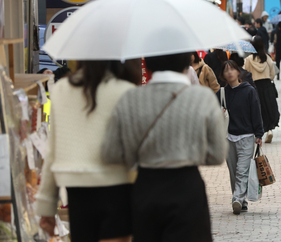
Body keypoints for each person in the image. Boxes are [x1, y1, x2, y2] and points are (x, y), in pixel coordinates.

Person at [102, 52, 227, 242]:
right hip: (187, 187)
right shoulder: (202, 97)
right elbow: (217, 154)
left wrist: (138, 157)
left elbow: (110, 153)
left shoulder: (130, 98)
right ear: (187, 62)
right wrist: (189, 152)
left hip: (145, 187)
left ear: (148, 64)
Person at [36, 59, 141, 242]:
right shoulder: (126, 91)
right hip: (118, 188)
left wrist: (47, 206)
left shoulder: (62, 90)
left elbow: (52, 151)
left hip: (77, 191)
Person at [217, 60, 264, 215]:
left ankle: (236, 198)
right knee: (233, 171)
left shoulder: (249, 90)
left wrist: (259, 133)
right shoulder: (222, 93)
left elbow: (256, 111)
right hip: (228, 137)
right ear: (223, 75)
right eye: (226, 70)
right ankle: (241, 201)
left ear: (238, 72)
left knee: (242, 171)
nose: (229, 72)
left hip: (247, 136)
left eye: (232, 69)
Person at [244, 36, 280, 144]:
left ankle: (258, 133)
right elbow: (272, 74)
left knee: (257, 109)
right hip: (267, 85)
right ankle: (269, 130)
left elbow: (245, 73)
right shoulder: (267, 58)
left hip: (254, 86)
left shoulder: (249, 59)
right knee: (268, 108)